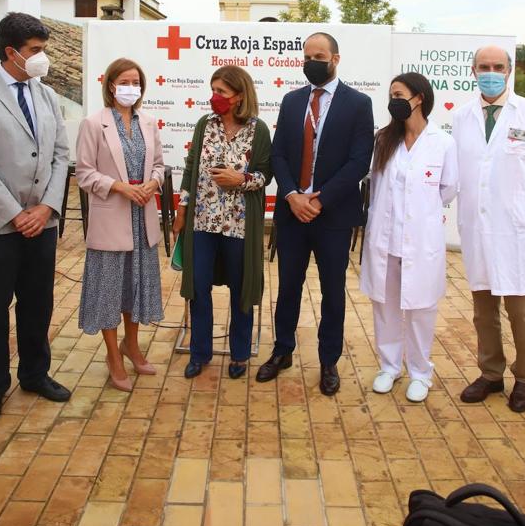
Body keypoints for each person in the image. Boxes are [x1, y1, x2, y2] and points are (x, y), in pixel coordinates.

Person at [0, 12, 71, 424]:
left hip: (43, 220)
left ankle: (35, 374)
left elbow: (61, 155)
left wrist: (46, 208)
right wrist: (14, 214)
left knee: (38, 302)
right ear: (11, 52)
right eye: (36, 51)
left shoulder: (45, 95)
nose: (42, 59)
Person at [256, 32, 374, 395]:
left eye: (319, 56)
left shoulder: (358, 103)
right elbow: (278, 155)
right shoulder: (292, 102)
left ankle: (328, 360)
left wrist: (319, 201)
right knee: (288, 286)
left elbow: (359, 161)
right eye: (307, 56)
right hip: (293, 214)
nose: (312, 62)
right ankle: (282, 350)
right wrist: (292, 195)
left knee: (332, 291)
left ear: (335, 59)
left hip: (333, 216)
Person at [454, 45, 525, 413]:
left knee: (523, 312)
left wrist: (521, 212)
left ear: (510, 70)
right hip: (480, 231)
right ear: (473, 70)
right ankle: (491, 373)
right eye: (484, 66)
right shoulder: (463, 117)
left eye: (498, 66)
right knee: (484, 312)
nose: (491, 71)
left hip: (517, 233)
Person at [360, 72, 458, 402]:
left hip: (421, 240)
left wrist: (420, 214)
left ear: (419, 98)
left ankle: (420, 372)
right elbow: (375, 183)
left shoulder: (442, 142)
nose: (394, 101)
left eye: (399, 94)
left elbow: (448, 189)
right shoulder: (383, 140)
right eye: (391, 95)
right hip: (384, 239)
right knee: (385, 306)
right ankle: (389, 367)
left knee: (420, 309)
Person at [173, 66, 271, 380]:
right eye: (213, 90)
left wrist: (239, 179)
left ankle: (240, 354)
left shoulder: (259, 129)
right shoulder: (205, 124)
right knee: (198, 288)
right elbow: (191, 169)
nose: (214, 97)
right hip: (202, 223)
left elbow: (265, 176)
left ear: (240, 95)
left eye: (222, 92)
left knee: (241, 290)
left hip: (240, 226)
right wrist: (182, 208)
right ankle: (200, 353)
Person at [76, 58, 165, 392]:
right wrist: (119, 186)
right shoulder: (92, 123)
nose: (131, 87)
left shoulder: (148, 122)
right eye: (125, 81)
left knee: (135, 287)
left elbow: (158, 165)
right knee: (109, 291)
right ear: (111, 85)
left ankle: (132, 345)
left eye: (136, 82)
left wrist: (152, 184)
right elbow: (84, 173)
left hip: (142, 220)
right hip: (111, 218)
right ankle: (114, 356)